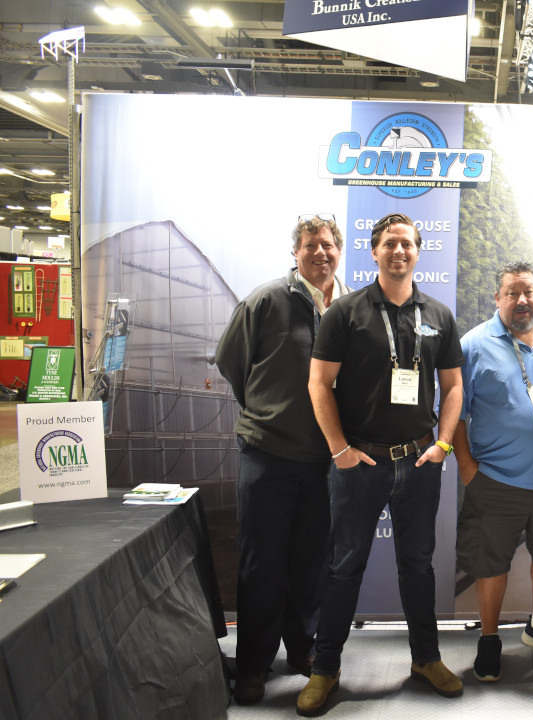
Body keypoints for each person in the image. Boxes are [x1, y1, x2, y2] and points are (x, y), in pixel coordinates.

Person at [296, 212, 465, 716]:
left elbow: (454, 386)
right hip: (360, 464)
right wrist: (340, 451)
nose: (398, 251)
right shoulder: (345, 313)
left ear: (418, 251)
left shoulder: (439, 315)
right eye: (389, 243)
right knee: (344, 567)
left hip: (419, 462)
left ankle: (426, 658)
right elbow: (318, 383)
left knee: (418, 566)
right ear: (374, 252)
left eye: (407, 243)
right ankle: (326, 668)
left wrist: (444, 445)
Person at [215, 213, 348, 705]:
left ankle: (302, 649)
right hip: (267, 453)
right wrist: (267, 409)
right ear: (296, 252)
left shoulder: (351, 308)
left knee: (311, 561)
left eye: (328, 244)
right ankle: (253, 664)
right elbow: (231, 361)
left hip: (324, 458)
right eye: (310, 245)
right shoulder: (267, 300)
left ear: (339, 251)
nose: (320, 252)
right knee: (262, 563)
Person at [454, 261, 533, 683]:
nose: (521, 300)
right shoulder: (473, 345)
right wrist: (468, 469)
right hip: (494, 481)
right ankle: (489, 639)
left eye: (529, 292)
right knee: (490, 564)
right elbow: (455, 413)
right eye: (512, 293)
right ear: (498, 298)